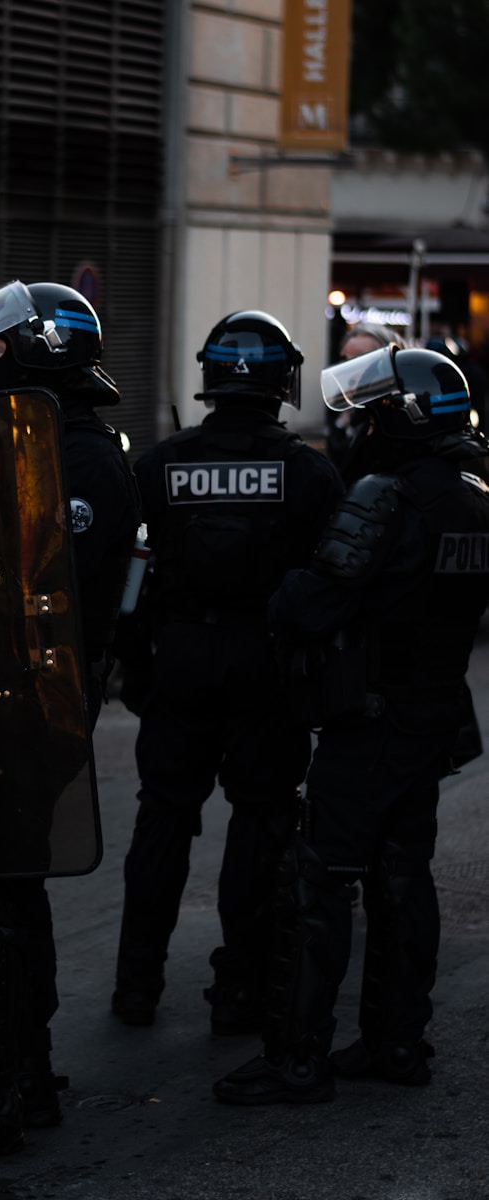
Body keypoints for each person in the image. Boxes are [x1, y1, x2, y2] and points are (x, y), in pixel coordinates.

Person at [213, 344, 489, 1107]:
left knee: (318, 883)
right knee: (402, 877)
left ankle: (295, 1058)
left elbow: (310, 604)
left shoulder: (385, 496)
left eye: (369, 411)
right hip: (430, 713)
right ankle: (397, 1041)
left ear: (399, 417)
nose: (358, 425)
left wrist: (280, 586)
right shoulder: (470, 492)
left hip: (367, 720)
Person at [0, 280, 140, 1170]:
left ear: (41, 347)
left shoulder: (79, 457)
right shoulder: (21, 442)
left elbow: (59, 600)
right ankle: (24, 1078)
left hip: (29, 703)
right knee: (8, 891)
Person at [110, 310, 344, 1033]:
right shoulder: (307, 472)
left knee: (162, 820)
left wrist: (133, 663)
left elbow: (128, 576)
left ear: (208, 377)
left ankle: (136, 985)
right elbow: (330, 584)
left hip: (178, 657)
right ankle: (239, 988)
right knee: (260, 820)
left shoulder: (159, 464)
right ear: (283, 381)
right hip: (264, 666)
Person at [325, 322, 404, 483]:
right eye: (346, 359)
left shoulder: (395, 417)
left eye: (360, 359)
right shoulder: (350, 410)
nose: (349, 369)